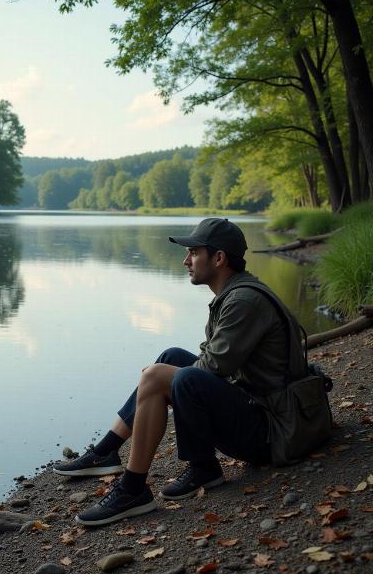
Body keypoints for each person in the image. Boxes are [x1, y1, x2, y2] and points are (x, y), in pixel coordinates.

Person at [53, 218, 306, 527]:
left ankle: (133, 490)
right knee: (171, 358)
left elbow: (214, 367)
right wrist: (162, 375)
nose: (186, 260)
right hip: (261, 410)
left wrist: (158, 378)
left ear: (218, 258)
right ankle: (112, 453)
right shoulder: (235, 293)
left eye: (193, 253)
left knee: (167, 374)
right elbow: (212, 364)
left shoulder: (243, 301)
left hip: (275, 432)